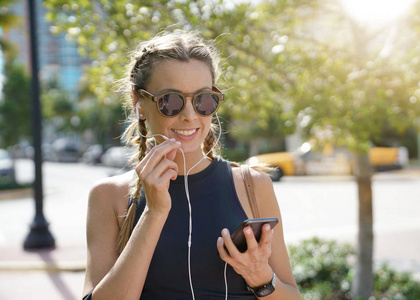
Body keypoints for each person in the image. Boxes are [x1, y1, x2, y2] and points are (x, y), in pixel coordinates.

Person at [82, 31, 301, 300]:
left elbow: (292, 296)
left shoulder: (253, 186)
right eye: (170, 101)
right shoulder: (110, 196)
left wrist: (261, 278)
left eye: (203, 99)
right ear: (139, 103)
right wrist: (154, 212)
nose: (189, 116)